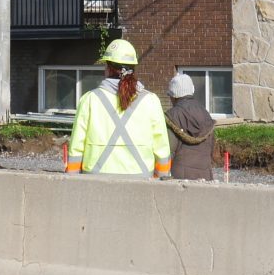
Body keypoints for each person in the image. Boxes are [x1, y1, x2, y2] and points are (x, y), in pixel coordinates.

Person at [66, 39, 171, 177]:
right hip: (141, 180)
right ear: (133, 69)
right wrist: (160, 179)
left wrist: (72, 180)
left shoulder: (89, 100)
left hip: (95, 180)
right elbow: (161, 148)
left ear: (108, 68)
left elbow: (76, 146)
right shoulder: (151, 101)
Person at [164, 73, 216, 181]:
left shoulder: (172, 115)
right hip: (205, 176)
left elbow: (168, 150)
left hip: (179, 178)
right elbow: (211, 148)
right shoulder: (205, 113)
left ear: (174, 96)